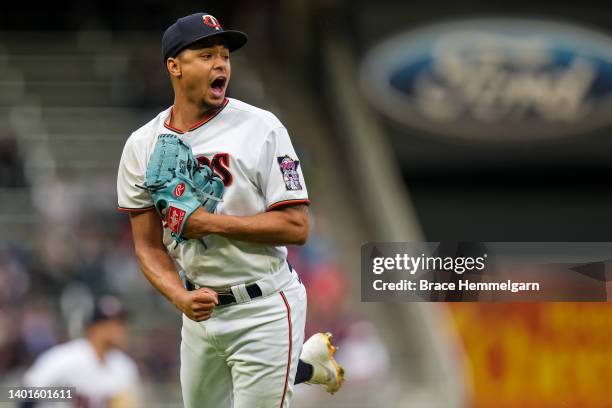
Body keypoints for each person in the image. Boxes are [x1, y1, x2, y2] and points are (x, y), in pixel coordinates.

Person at [116, 12, 343, 407]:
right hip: (199, 311)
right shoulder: (143, 144)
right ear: (174, 66)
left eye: (225, 55)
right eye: (205, 55)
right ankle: (303, 366)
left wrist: (209, 223)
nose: (220, 63)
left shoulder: (261, 127)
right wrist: (177, 296)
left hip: (265, 305)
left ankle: (294, 363)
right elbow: (148, 246)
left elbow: (296, 226)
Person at [20, 296, 140, 407]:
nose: (122, 330)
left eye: (123, 323)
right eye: (116, 324)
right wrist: (66, 395)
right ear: (95, 327)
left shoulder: (124, 366)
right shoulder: (65, 357)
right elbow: (25, 393)